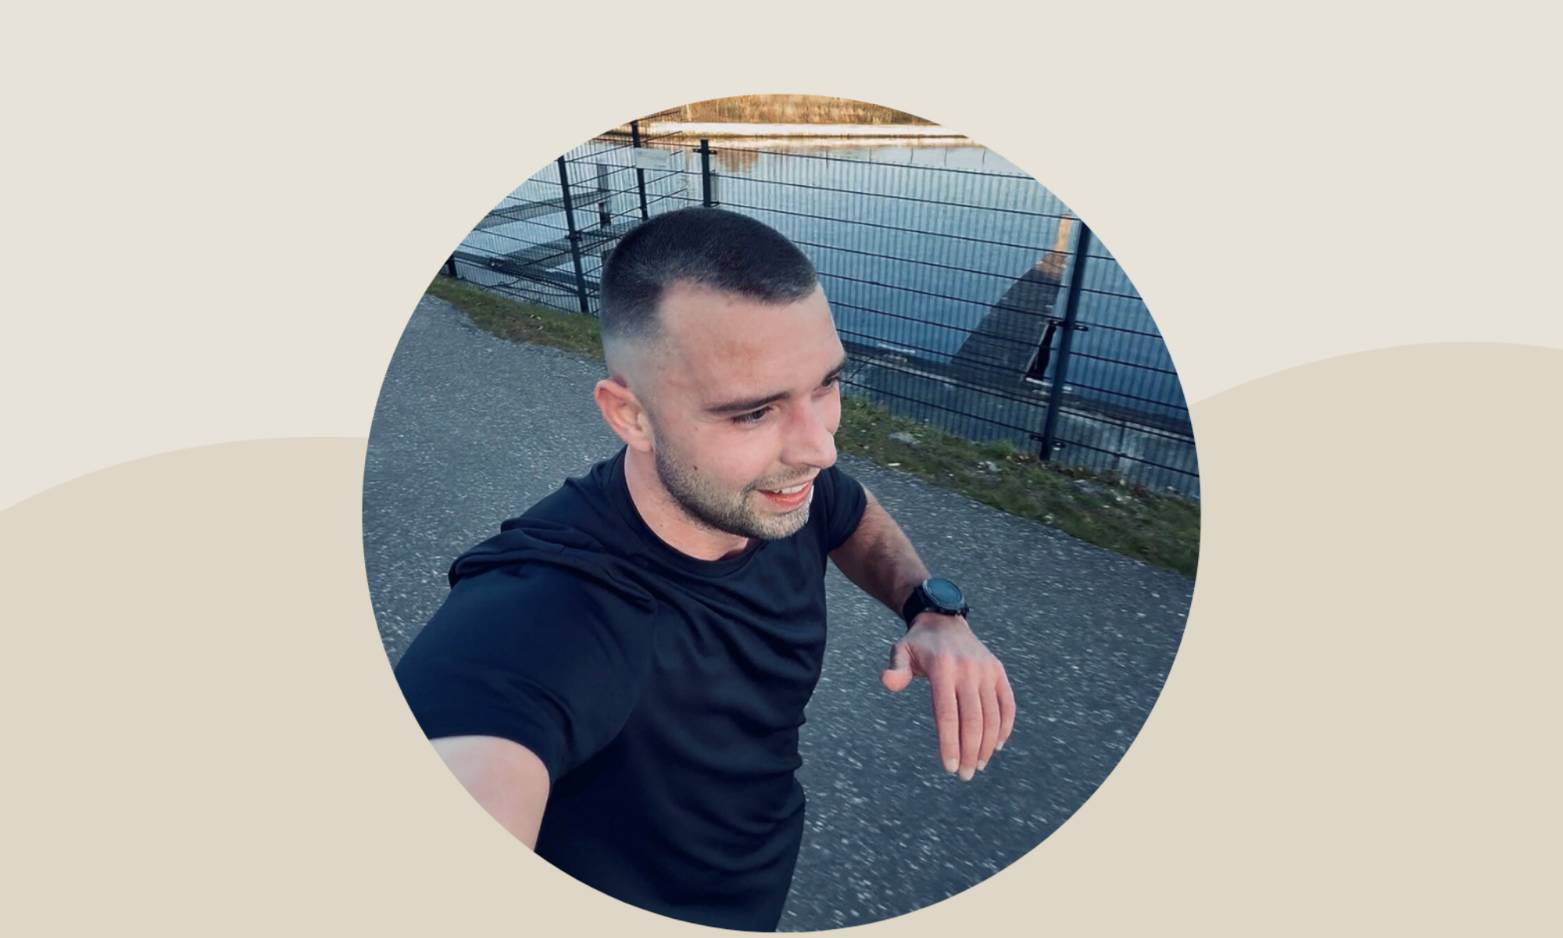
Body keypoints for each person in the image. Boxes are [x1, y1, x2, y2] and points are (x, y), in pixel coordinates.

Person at [395, 207, 1015, 931]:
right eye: (752, 413)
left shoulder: (778, 492)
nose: (819, 447)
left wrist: (930, 607)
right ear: (630, 417)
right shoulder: (550, 610)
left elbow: (850, 511)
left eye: (825, 385)